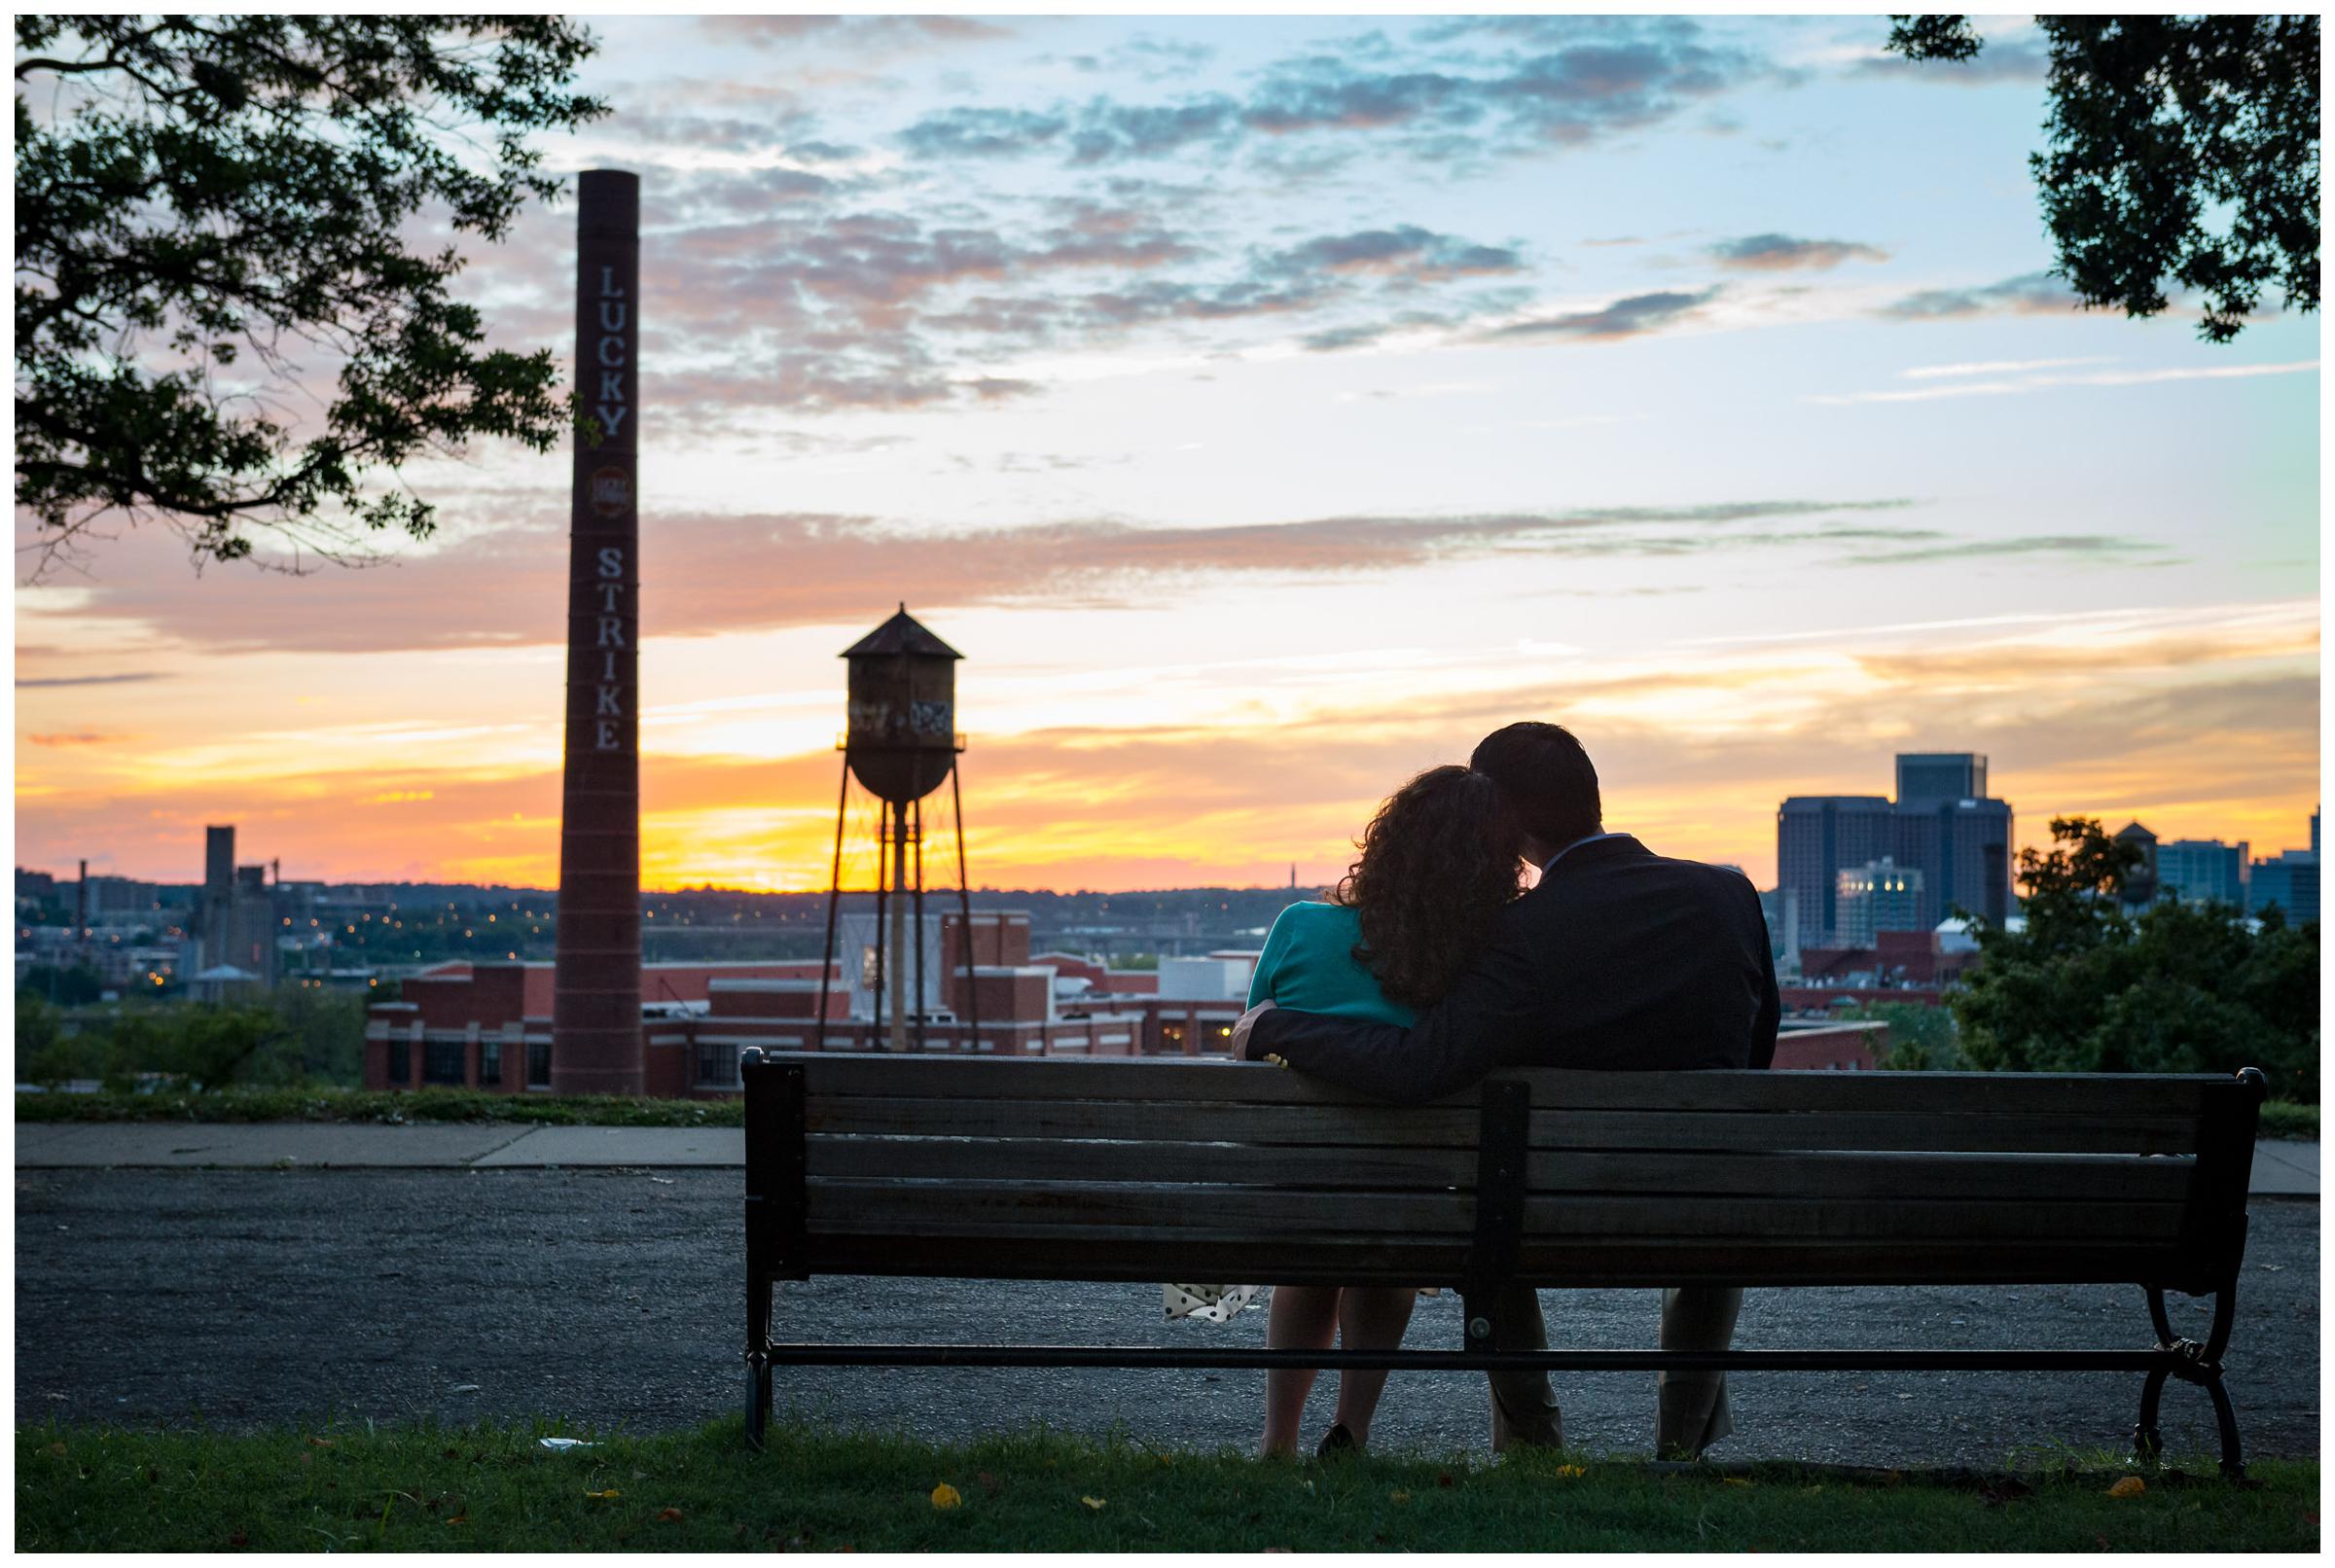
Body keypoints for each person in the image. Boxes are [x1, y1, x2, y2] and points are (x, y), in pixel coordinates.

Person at [1234, 721, 1778, 1459]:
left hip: (1546, 1210)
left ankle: (1534, 1441)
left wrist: (1278, 1028)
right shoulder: (1729, 895)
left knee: (1488, 1211)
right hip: (1708, 1198)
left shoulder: (1520, 933)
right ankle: (1680, 1447)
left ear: (1508, 818)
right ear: (1590, 796)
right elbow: (1758, 1045)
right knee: (1703, 1208)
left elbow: (1420, 1066)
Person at [1174, 764, 1527, 1458]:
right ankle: (1352, 1430)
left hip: (1300, 1183)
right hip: (1414, 1190)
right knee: (1384, 1256)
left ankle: (1277, 1437)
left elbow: (1255, 1033)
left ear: (1388, 839)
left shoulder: (1301, 926)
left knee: (1311, 1258)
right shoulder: (1480, 955)